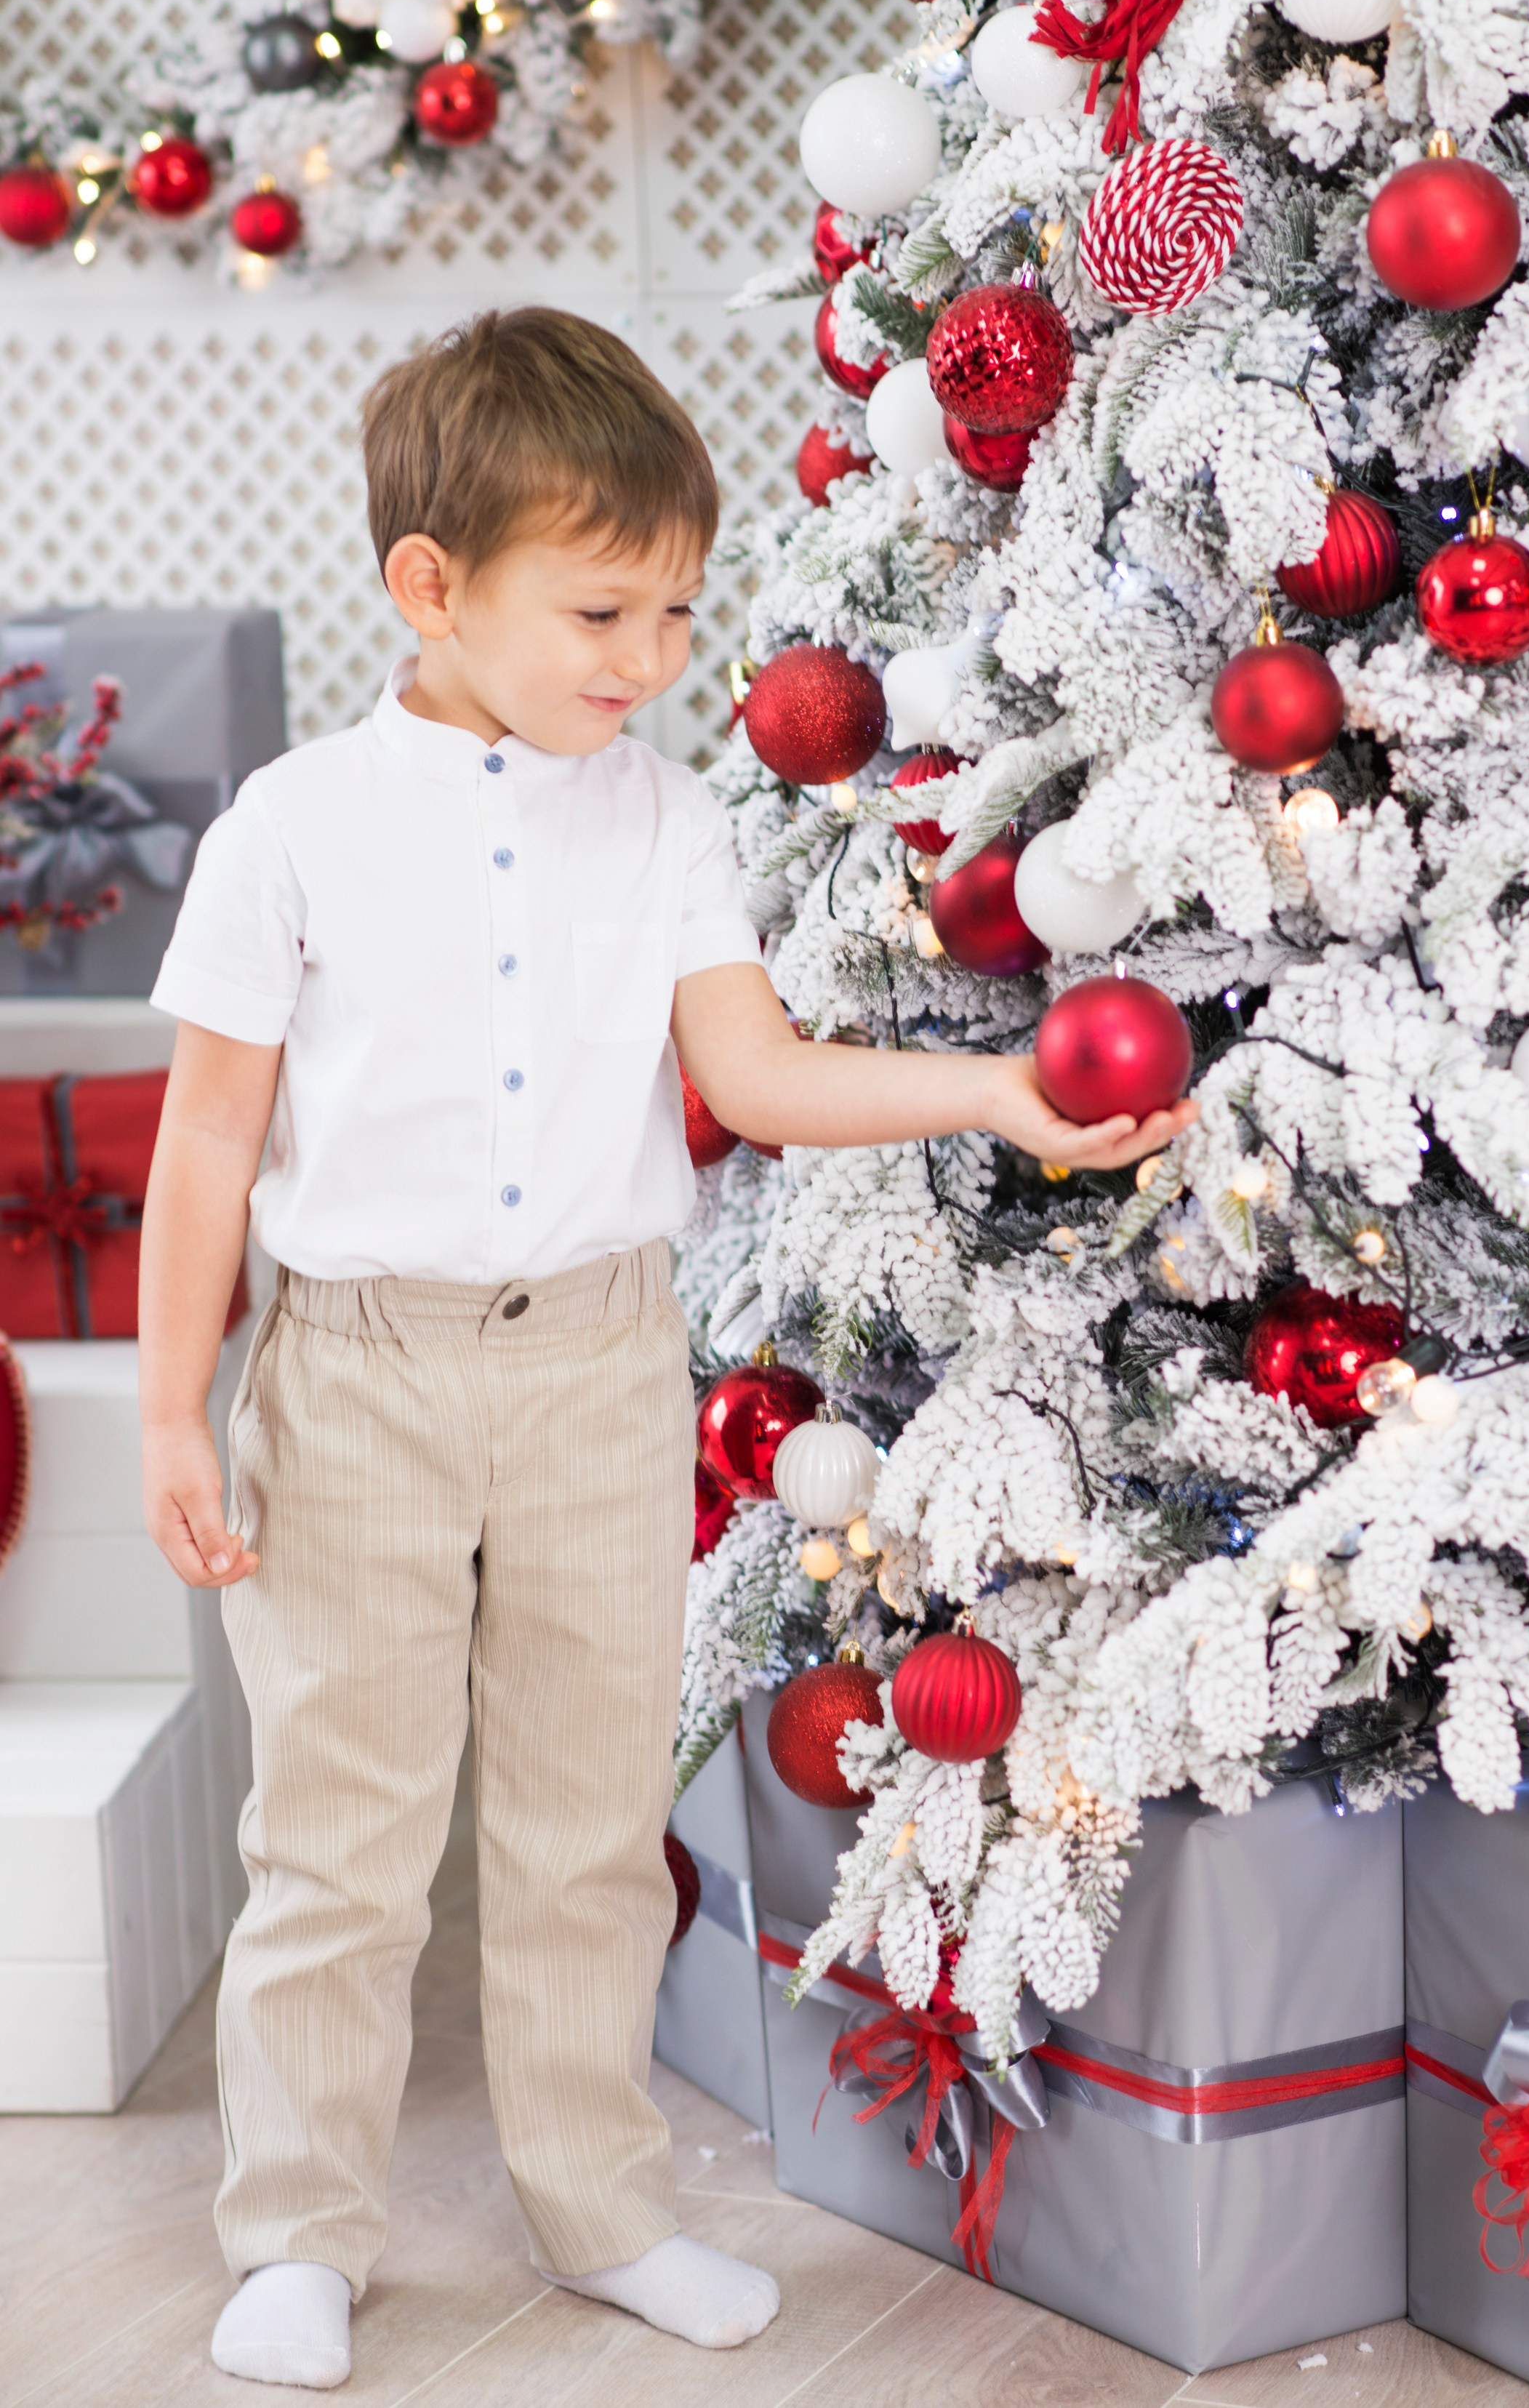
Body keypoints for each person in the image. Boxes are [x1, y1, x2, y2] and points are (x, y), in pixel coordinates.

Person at [138, 306, 1192, 2392]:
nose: (646, 652)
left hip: (607, 1365)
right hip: (353, 1368)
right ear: (431, 588)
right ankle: (298, 2229)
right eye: (598, 605)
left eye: (678, 610)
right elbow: (209, 1135)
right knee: (339, 1826)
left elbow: (757, 1069)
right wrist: (175, 1399)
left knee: (585, 1818)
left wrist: (997, 1100)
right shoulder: (294, 825)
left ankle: (599, 2201)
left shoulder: (668, 818)